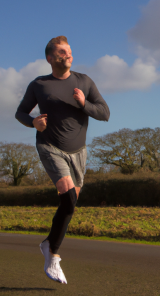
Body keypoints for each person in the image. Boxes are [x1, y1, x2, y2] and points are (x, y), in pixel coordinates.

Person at [15, 36, 110, 284]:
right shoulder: (39, 84)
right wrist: (33, 122)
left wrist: (83, 103)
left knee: (70, 205)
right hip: (50, 146)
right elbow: (20, 112)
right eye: (61, 52)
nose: (67, 55)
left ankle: (48, 244)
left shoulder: (84, 81)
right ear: (50, 58)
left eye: (68, 51)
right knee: (67, 197)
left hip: (79, 152)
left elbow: (105, 113)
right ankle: (54, 257)